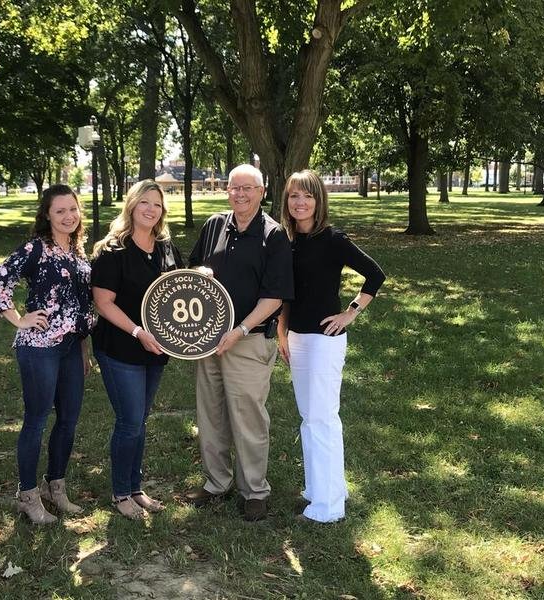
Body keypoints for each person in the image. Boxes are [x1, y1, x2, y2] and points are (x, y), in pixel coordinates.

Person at [0, 184, 95, 525]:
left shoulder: (77, 251)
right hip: (40, 348)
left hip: (72, 348)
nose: (68, 216)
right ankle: (27, 496)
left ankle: (55, 487)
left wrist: (84, 348)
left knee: (69, 419)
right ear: (47, 215)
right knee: (37, 419)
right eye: (60, 211)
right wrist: (19, 319)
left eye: (72, 209)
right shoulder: (36, 249)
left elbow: (81, 305)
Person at [186, 164, 294, 522]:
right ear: (227, 190)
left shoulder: (273, 235)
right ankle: (217, 482)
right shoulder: (214, 225)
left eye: (248, 188)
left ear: (262, 192)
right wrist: (200, 272)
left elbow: (274, 297)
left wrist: (241, 330)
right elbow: (193, 272)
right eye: (235, 187)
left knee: (248, 418)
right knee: (211, 413)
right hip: (209, 339)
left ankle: (255, 491)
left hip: (248, 340)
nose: (240, 194)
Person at [277, 169, 385, 523]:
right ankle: (320, 490)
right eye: (294, 195)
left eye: (307, 195)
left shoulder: (333, 239)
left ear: (318, 200)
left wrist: (350, 313)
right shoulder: (287, 240)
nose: (300, 202)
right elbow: (286, 294)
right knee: (309, 419)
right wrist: (282, 333)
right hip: (297, 338)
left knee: (322, 419)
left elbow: (375, 274)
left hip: (324, 341)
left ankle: (328, 507)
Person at [91, 179, 184, 520]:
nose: (150, 209)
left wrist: (200, 275)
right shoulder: (112, 250)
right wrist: (137, 331)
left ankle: (135, 488)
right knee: (130, 420)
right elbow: (103, 303)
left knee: (140, 420)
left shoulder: (166, 248)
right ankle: (120, 494)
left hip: (155, 349)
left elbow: (180, 288)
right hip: (120, 347)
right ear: (131, 205)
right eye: (144, 202)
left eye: (157, 204)